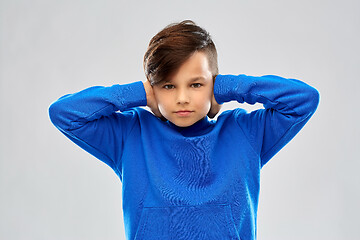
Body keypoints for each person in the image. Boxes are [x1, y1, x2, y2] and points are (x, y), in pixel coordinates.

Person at [48, 20, 320, 240]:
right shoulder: (131, 135)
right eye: (168, 85)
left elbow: (304, 99)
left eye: (196, 85)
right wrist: (137, 93)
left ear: (212, 84)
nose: (182, 98)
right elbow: (64, 114)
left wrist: (228, 86)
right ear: (153, 88)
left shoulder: (244, 132)